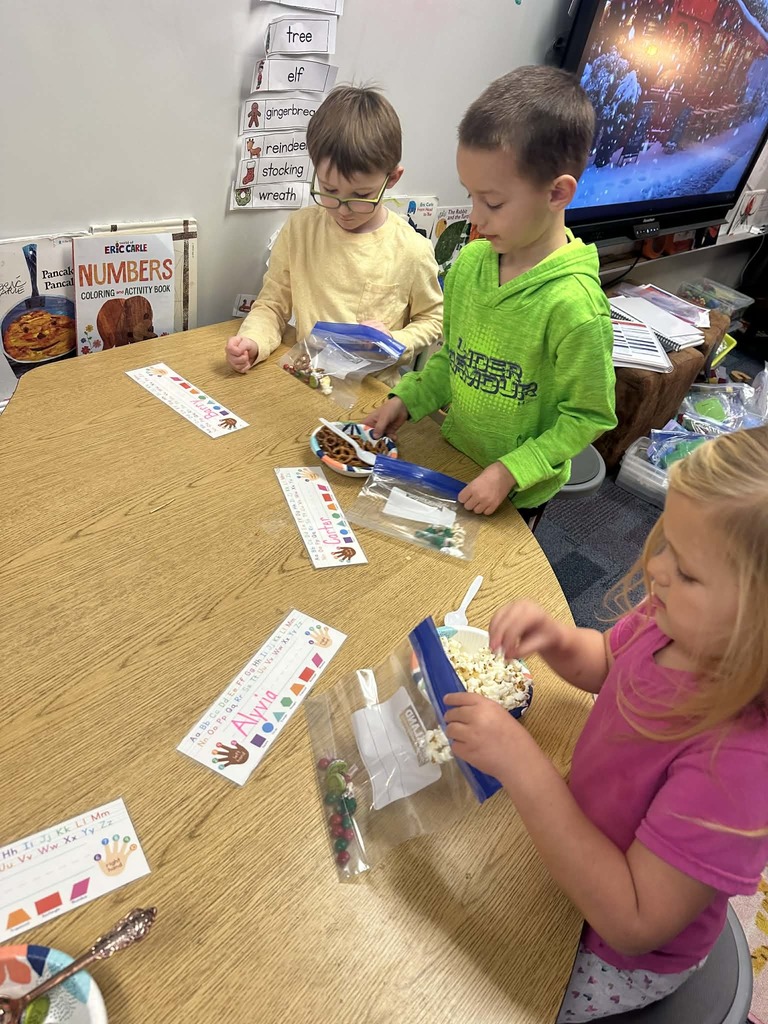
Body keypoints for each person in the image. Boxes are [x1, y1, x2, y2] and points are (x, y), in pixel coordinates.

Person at [443, 426, 768, 1020]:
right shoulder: (675, 622)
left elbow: (632, 920)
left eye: (689, 572)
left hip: (616, 955)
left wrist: (523, 765)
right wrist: (560, 640)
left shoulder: (740, 764)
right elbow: (609, 665)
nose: (657, 570)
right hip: (581, 849)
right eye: (666, 539)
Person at [365, 66, 617, 525]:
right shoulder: (470, 265)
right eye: (470, 196)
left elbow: (588, 415)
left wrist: (511, 470)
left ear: (557, 193)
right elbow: (452, 361)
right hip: (455, 453)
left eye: (494, 202)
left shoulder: (576, 308)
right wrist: (406, 401)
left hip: (518, 490)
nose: (476, 217)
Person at [225, 86, 443, 388]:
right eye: (329, 190)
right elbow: (272, 305)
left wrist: (395, 340)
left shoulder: (411, 250)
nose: (342, 209)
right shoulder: (300, 230)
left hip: (371, 395)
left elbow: (433, 319)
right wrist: (253, 341)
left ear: (392, 178)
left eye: (361, 195)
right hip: (305, 379)